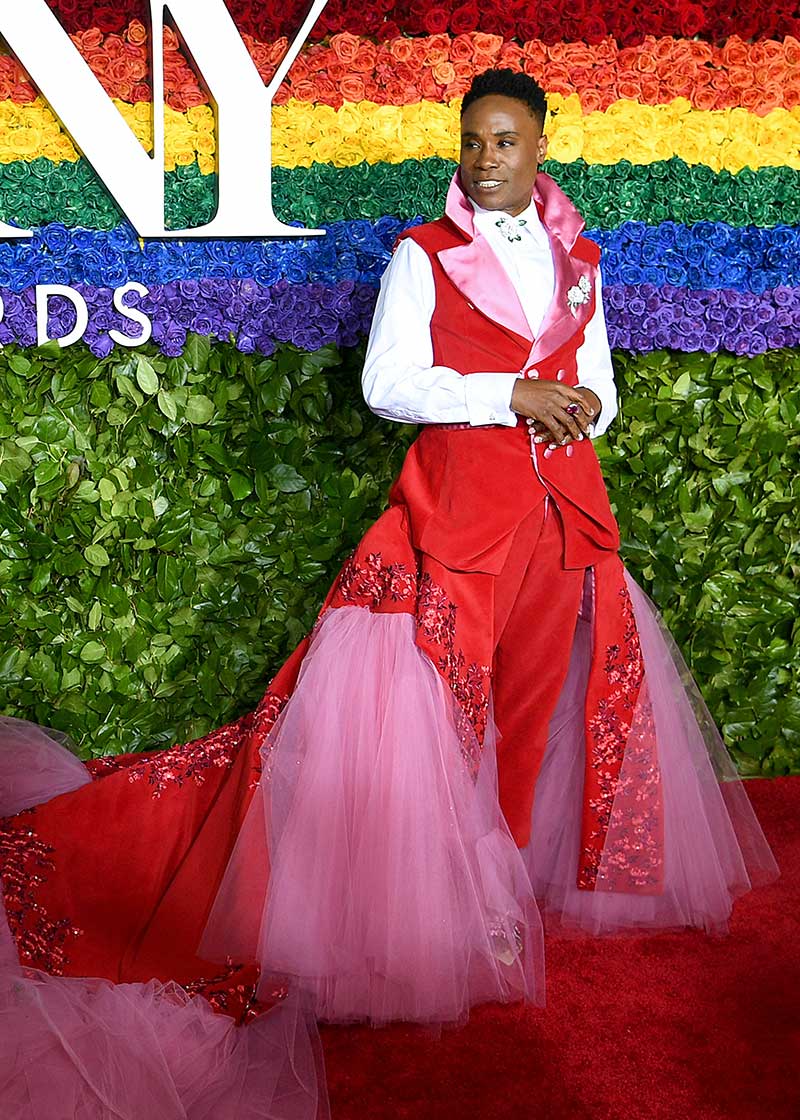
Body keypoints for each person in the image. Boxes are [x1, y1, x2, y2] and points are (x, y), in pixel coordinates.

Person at [0, 69, 778, 1116]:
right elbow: (386, 383)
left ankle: (499, 895)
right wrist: (509, 393)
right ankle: (448, 908)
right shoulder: (422, 257)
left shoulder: (583, 260)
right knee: (441, 717)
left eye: (504, 141)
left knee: (533, 707)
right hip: (455, 520)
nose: (485, 159)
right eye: (472, 142)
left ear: (543, 145)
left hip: (563, 523)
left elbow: (600, 391)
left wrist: (578, 405)